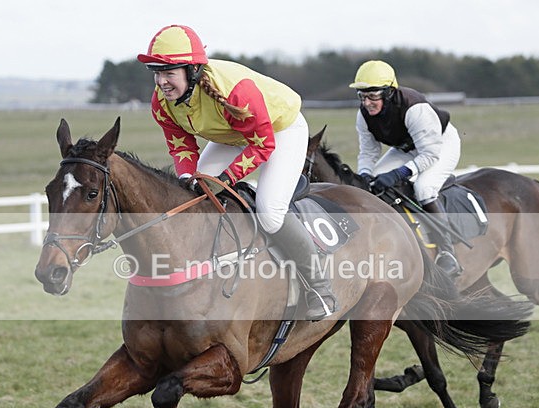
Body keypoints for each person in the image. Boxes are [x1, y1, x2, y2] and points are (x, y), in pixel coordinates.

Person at [137, 24, 337, 320]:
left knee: (270, 213)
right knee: (193, 197)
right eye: (157, 72)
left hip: (280, 131)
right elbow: (181, 146)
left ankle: (320, 287)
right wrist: (186, 178)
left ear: (192, 71)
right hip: (233, 136)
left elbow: (262, 145)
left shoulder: (235, 92)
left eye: (169, 73)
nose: (161, 82)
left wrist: (226, 180)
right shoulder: (161, 102)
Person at [350, 60, 462, 276]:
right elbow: (367, 153)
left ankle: (448, 253)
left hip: (439, 144)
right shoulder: (363, 115)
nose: (367, 103)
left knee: (424, 188)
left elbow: (429, 154)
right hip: (406, 148)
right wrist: (364, 175)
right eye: (362, 96)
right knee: (372, 183)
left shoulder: (415, 108)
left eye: (373, 95)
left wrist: (399, 173)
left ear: (389, 93)